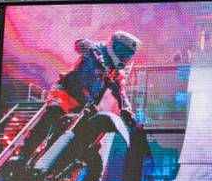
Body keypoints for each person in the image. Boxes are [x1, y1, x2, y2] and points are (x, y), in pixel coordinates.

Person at [17, 31, 140, 161]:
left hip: (83, 104)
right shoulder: (97, 50)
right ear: (114, 46)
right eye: (123, 52)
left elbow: (120, 92)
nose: (125, 57)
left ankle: (62, 164)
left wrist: (126, 110)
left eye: (128, 55)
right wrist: (91, 50)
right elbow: (80, 44)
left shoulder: (115, 72)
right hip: (65, 92)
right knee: (52, 113)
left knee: (87, 132)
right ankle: (23, 154)